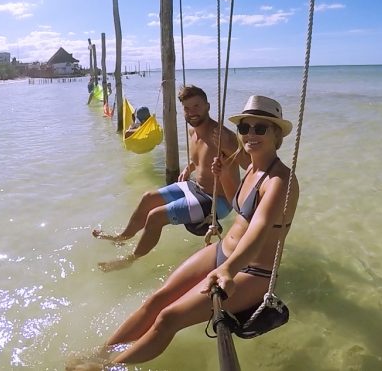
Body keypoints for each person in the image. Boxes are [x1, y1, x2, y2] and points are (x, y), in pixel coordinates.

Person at [71, 95, 298, 367]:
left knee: (169, 318)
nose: (250, 134)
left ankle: (108, 367)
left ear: (276, 135)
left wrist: (227, 270)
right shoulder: (251, 167)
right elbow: (238, 209)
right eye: (245, 128)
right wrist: (224, 173)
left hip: (251, 270)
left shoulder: (280, 181)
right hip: (223, 251)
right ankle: (102, 352)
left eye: (260, 128)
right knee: (158, 299)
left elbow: (258, 230)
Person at [92, 85, 245, 271]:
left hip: (217, 201)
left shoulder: (223, 136)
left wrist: (231, 148)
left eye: (197, 106)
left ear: (208, 106)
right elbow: (200, 158)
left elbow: (250, 165)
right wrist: (189, 168)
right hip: (195, 187)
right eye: (187, 108)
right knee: (148, 198)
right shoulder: (192, 132)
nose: (192, 112)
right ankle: (122, 238)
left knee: (155, 216)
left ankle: (131, 259)